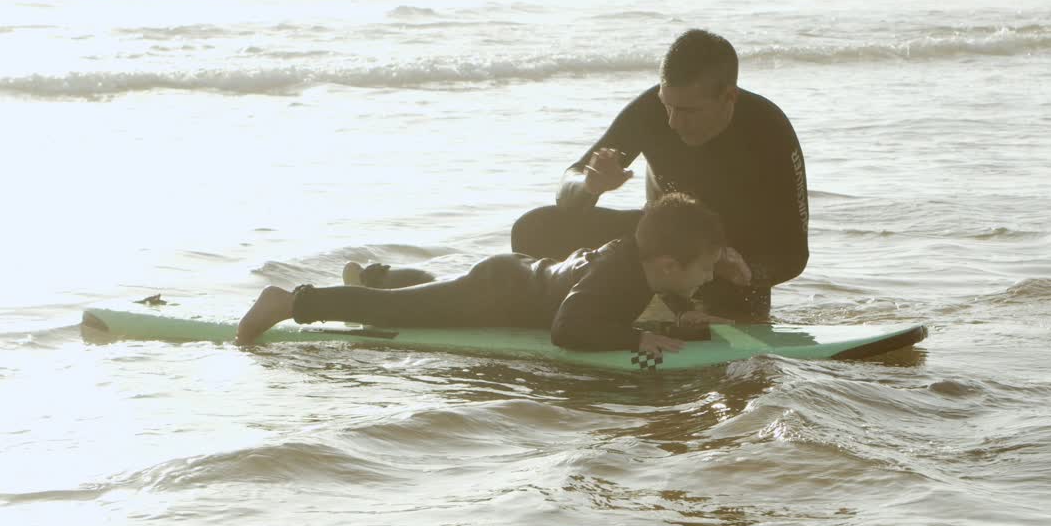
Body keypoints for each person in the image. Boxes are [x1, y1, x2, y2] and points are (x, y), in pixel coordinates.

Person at [509, 29, 809, 322]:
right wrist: (590, 185)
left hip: (721, 269)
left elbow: (794, 255)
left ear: (728, 96)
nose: (674, 122)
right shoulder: (649, 110)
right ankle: (570, 316)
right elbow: (569, 185)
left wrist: (749, 271)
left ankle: (660, 314)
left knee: (729, 322)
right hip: (653, 253)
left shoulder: (769, 132)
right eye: (668, 106)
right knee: (534, 229)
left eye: (689, 111)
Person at [236, 194, 730, 355]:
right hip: (497, 294)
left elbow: (665, 289)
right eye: (705, 269)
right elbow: (568, 331)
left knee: (431, 293)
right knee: (399, 314)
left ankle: (376, 277)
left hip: (510, 279)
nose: (709, 278)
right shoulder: (618, 278)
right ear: (668, 264)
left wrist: (684, 316)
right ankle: (290, 301)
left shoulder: (641, 263)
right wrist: (637, 342)